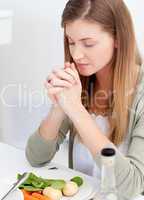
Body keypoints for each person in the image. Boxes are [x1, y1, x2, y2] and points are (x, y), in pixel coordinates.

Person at [26, 0, 144, 199]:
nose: (77, 54)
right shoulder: (78, 84)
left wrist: (77, 111)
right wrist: (59, 107)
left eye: (88, 43)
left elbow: (132, 186)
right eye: (71, 42)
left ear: (118, 39)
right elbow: (36, 158)